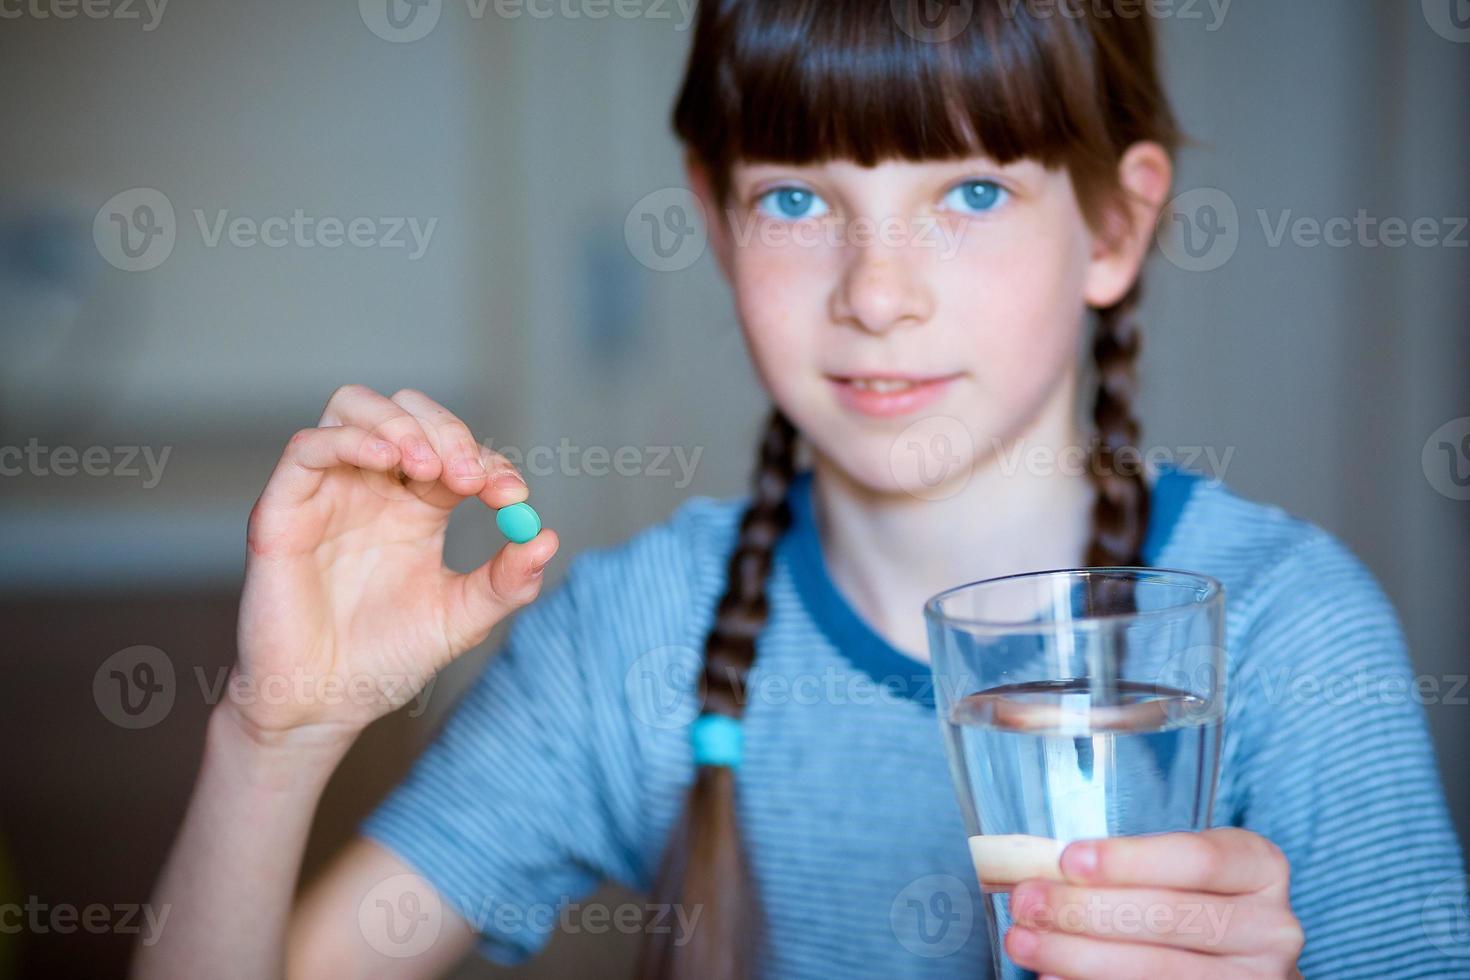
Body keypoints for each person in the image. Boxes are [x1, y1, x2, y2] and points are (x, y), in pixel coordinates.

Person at [135, 2, 1467, 978]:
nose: (875, 295)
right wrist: (274, 739)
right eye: (792, 202)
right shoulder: (630, 635)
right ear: (712, 220)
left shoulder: (1293, 633)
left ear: (1113, 226)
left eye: (975, 192)